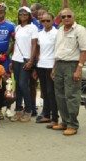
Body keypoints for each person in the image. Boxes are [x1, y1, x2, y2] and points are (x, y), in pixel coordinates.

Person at [51, 8, 86, 136]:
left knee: (71, 95)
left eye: (68, 16)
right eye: (63, 17)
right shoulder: (60, 30)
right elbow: (58, 50)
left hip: (72, 65)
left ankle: (73, 124)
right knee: (59, 95)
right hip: (59, 64)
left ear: (74, 16)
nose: (66, 18)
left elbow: (84, 50)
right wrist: (54, 68)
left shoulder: (80, 30)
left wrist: (79, 69)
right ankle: (65, 121)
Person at [9, 6, 38, 123]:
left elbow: (34, 45)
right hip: (16, 59)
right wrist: (11, 60)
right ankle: (18, 110)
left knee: (23, 84)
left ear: (30, 16)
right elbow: (16, 45)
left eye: (25, 14)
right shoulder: (17, 28)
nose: (22, 16)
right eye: (20, 14)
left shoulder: (33, 28)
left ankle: (29, 110)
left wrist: (31, 61)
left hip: (26, 60)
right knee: (18, 86)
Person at [36, 12, 59, 127]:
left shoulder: (57, 33)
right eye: (43, 21)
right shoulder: (40, 34)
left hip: (51, 65)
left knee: (51, 92)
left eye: (48, 20)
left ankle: (55, 117)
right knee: (44, 92)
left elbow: (58, 51)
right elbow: (38, 50)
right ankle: (46, 115)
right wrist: (36, 65)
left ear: (53, 21)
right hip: (41, 65)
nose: (45, 23)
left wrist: (55, 67)